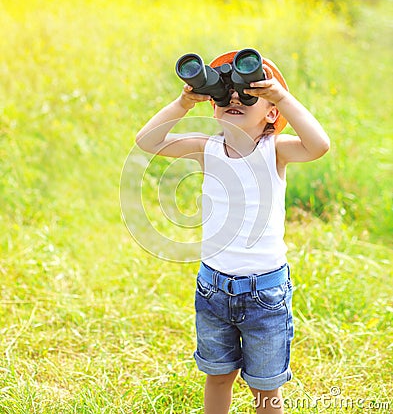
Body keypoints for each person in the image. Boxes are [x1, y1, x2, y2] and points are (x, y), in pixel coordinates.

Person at [135, 50, 330, 413]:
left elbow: (319, 145)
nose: (235, 100)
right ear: (214, 106)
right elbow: (146, 141)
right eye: (226, 96)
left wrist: (282, 96)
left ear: (271, 114)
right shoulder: (205, 148)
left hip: (265, 293)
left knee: (265, 387)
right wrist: (182, 102)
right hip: (213, 289)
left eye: (248, 96)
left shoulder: (275, 151)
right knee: (219, 375)